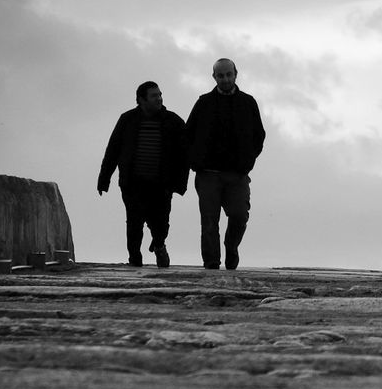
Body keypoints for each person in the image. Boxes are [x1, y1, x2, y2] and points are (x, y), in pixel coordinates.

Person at [98, 81, 188, 268]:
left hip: (161, 184)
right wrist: (104, 178)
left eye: (160, 94)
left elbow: (185, 154)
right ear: (141, 100)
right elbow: (113, 149)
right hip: (133, 182)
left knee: (161, 224)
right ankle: (134, 260)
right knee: (134, 222)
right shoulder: (127, 120)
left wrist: (179, 184)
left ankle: (159, 245)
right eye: (154, 96)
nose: (159, 98)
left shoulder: (174, 121)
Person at [186, 58, 265, 270]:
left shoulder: (248, 103)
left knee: (239, 216)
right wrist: (196, 162)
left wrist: (247, 161)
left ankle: (231, 247)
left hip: (237, 174)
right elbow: (189, 134)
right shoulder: (204, 103)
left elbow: (259, 135)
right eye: (220, 75)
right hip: (208, 174)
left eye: (228, 74)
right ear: (214, 77)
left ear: (235, 74)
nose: (225, 79)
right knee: (209, 223)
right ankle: (211, 265)